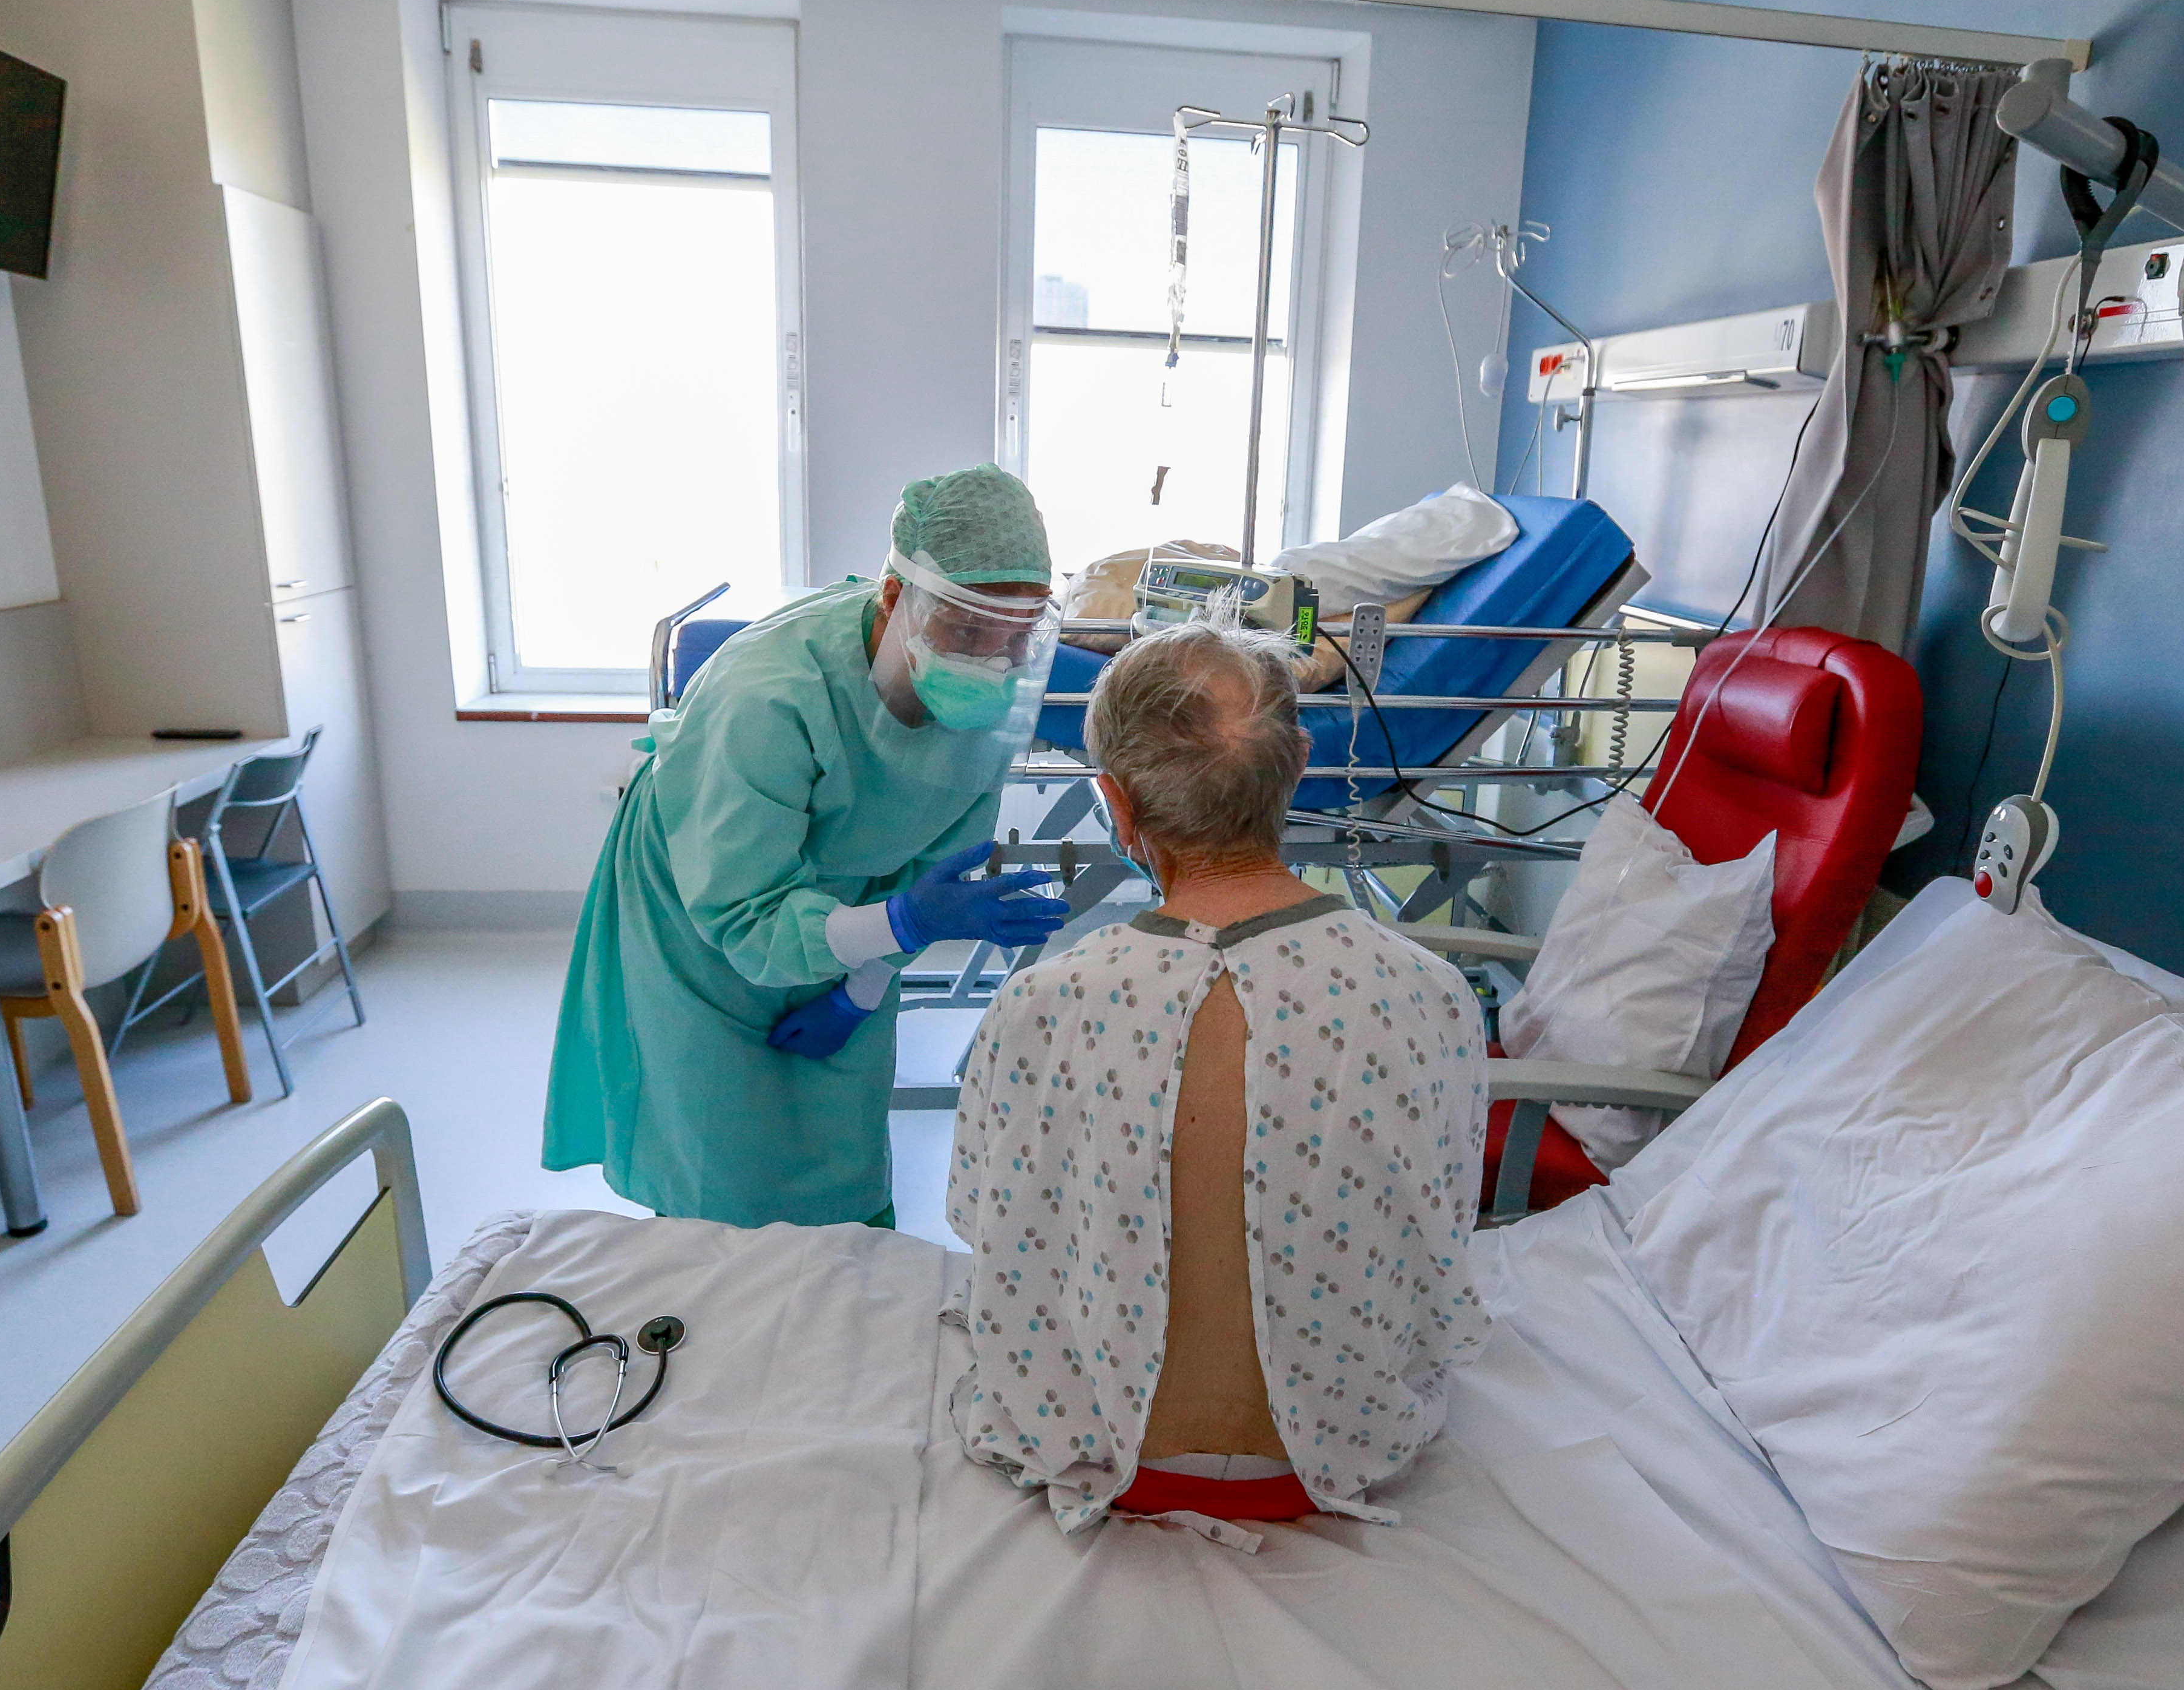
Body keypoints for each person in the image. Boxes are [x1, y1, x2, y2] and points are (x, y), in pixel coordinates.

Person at [946, 620, 1490, 1528]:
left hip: (1115, 1459)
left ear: (1116, 804)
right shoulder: (1430, 993)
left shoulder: (1043, 1004)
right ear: (1298, 764)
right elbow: (1435, 1235)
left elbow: (987, 1226)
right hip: (1339, 1453)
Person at [545, 466, 1073, 1228]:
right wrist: (902, 923)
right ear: (895, 599)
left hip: (855, 895)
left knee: (839, 1126)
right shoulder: (766, 696)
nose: (994, 660)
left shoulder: (989, 692)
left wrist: (865, 985)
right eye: (968, 631)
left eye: (1018, 637)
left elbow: (935, 862)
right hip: (707, 896)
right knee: (722, 1138)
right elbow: (745, 916)